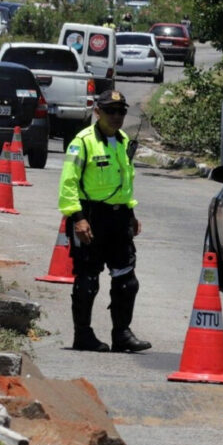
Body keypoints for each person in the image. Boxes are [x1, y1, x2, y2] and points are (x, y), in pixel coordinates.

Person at [58, 90, 151, 353]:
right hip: (90, 217)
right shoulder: (83, 142)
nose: (117, 116)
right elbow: (68, 182)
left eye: (121, 111)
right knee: (88, 280)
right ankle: (83, 335)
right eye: (110, 111)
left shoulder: (122, 140)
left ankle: (122, 334)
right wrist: (77, 218)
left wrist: (130, 214)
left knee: (127, 280)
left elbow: (124, 182)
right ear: (98, 112)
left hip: (119, 218)